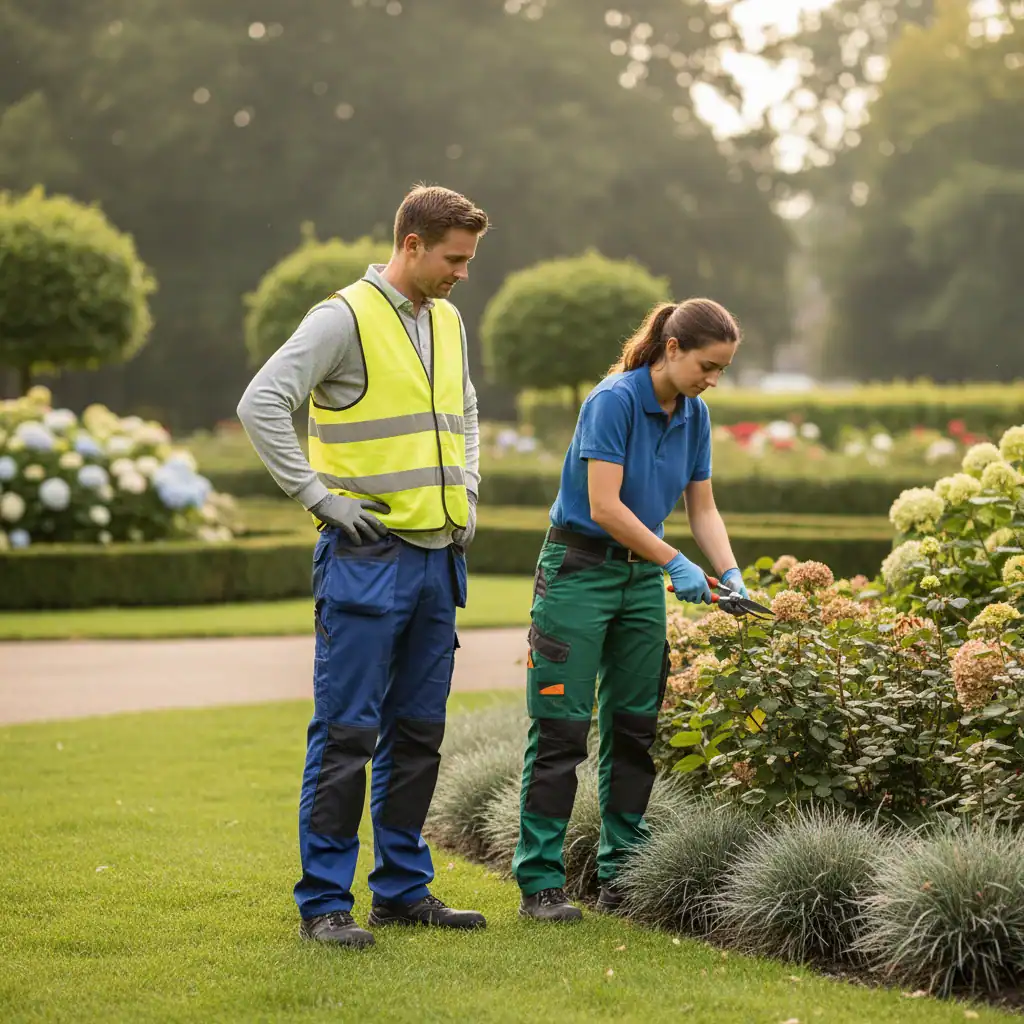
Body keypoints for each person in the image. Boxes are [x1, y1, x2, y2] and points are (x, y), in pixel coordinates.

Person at [237, 184, 490, 949]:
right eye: (454, 259)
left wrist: (470, 490)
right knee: (348, 734)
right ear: (411, 244)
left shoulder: (447, 320)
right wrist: (318, 498)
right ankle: (324, 902)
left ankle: (402, 892)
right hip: (366, 559)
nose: (463, 274)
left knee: (418, 735)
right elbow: (261, 403)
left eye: (468, 261)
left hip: (439, 560)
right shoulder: (341, 317)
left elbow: (466, 410)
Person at [512, 298, 748, 923]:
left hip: (640, 579)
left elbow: (702, 508)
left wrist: (729, 572)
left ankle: (621, 874)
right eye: (707, 365)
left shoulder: (695, 414)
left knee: (634, 728)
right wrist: (676, 561)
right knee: (561, 730)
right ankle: (540, 882)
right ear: (671, 348)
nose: (712, 380)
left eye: (722, 370)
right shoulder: (613, 400)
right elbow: (605, 506)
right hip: (579, 572)